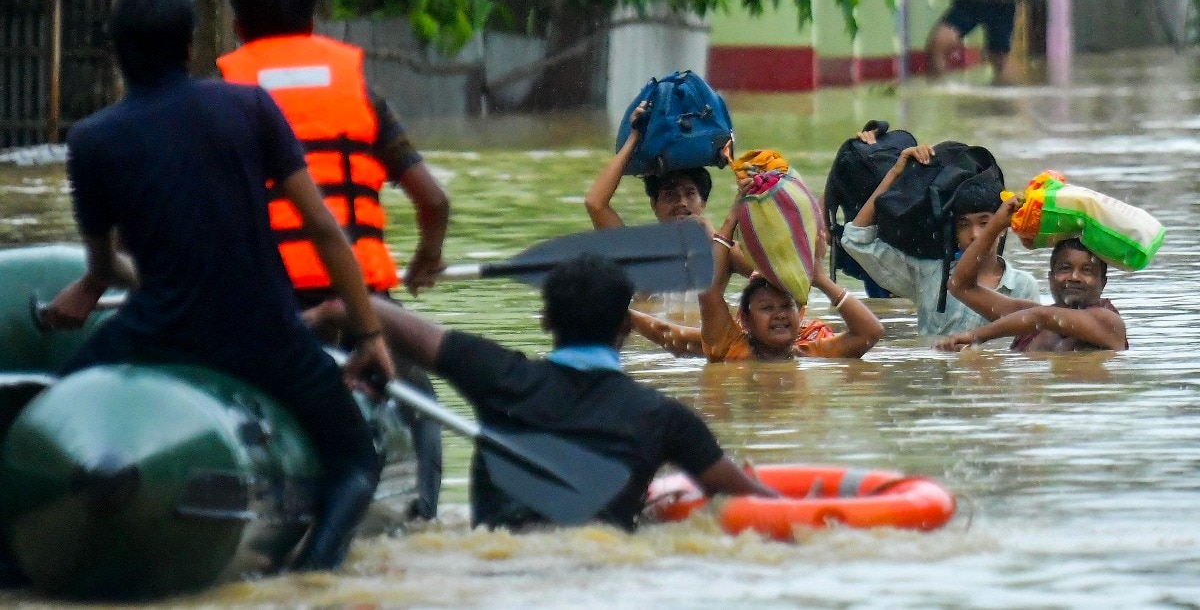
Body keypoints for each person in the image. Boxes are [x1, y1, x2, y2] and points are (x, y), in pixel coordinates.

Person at [41, 0, 392, 570]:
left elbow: (105, 269)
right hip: (265, 335)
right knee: (357, 459)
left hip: (159, 333)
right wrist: (370, 334)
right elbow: (326, 231)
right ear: (190, 45)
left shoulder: (91, 140)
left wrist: (84, 291)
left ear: (116, 51)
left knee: (45, 419)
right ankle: (312, 578)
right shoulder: (249, 106)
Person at [307, 254, 778, 531]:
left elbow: (360, 307)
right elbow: (749, 500)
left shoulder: (496, 374)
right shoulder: (665, 418)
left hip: (498, 562)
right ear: (625, 328)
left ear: (546, 321)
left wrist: (323, 319)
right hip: (599, 568)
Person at [221, 0, 450, 520]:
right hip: (360, 308)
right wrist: (426, 258)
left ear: (237, 26)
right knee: (419, 401)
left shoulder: (218, 99)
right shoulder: (362, 97)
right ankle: (418, 513)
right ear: (314, 20)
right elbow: (435, 201)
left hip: (259, 309)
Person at [632, 189, 883, 361]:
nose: (780, 314)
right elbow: (708, 296)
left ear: (800, 312)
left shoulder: (811, 351)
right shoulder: (730, 347)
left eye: (787, 306)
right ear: (745, 320)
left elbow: (871, 333)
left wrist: (820, 279)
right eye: (766, 308)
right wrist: (731, 219)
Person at [839, 141, 1041, 336]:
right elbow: (856, 240)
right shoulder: (930, 275)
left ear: (1003, 227)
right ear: (953, 232)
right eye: (964, 225)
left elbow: (1032, 347)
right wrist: (895, 173)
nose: (975, 235)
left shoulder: (1023, 286)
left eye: (985, 223)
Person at [585, 100, 755, 277]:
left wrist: (716, 238)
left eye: (690, 194)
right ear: (653, 204)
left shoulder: (724, 250)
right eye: (670, 195)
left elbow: (774, 282)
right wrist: (635, 136)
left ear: (703, 202)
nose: (681, 203)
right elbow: (595, 204)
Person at [935, 197, 1128, 352]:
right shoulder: (1026, 319)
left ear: (1103, 282)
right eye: (1065, 269)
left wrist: (976, 336)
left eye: (1086, 271)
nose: (1074, 277)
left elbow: (1042, 317)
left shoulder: (1108, 322)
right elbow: (960, 286)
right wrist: (997, 225)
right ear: (1050, 277)